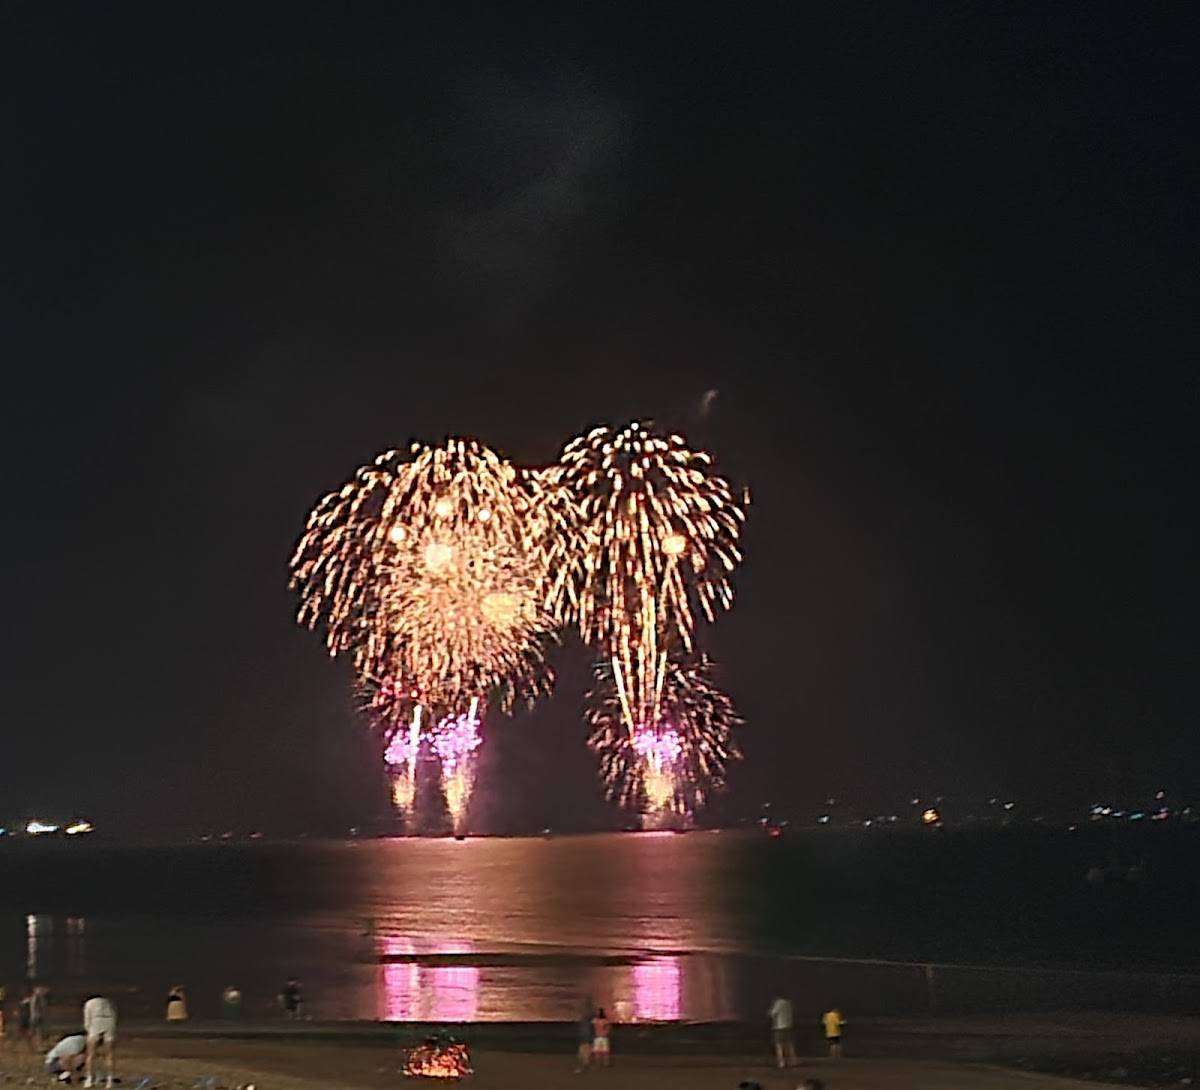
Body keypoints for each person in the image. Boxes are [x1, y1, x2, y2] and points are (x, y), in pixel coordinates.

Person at [82, 994, 117, 1088]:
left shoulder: (89, 1003)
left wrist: (89, 1030)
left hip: (96, 1022)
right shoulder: (108, 1002)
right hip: (109, 1022)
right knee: (109, 1054)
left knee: (91, 1054)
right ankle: (110, 1080)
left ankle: (89, 1078)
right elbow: (114, 1015)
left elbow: (87, 1019)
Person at [767, 994, 797, 1069]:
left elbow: (773, 1014)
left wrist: (770, 1010)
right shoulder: (789, 1003)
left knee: (779, 1045)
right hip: (789, 1026)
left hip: (779, 1027)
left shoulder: (778, 1003)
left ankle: (781, 1062)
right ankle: (793, 1061)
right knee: (789, 1045)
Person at [574, 998, 593, 1072]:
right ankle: (584, 1067)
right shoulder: (586, 1024)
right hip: (585, 1040)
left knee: (584, 1055)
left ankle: (583, 1067)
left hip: (585, 1040)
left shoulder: (585, 1024)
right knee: (584, 1055)